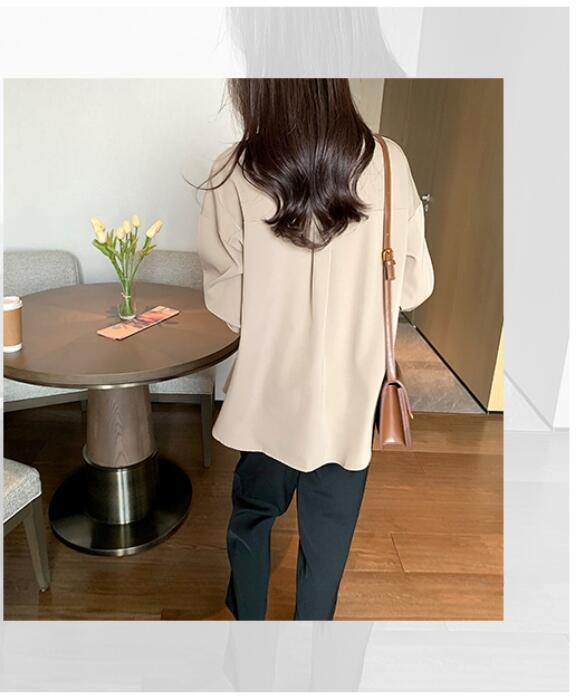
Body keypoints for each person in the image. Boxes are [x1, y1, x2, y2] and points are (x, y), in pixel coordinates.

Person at [197, 79, 434, 620]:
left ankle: (247, 633)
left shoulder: (233, 170)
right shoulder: (389, 162)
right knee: (328, 540)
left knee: (253, 515)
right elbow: (414, 286)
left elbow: (227, 300)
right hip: (350, 398)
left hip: (268, 390)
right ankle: (315, 644)